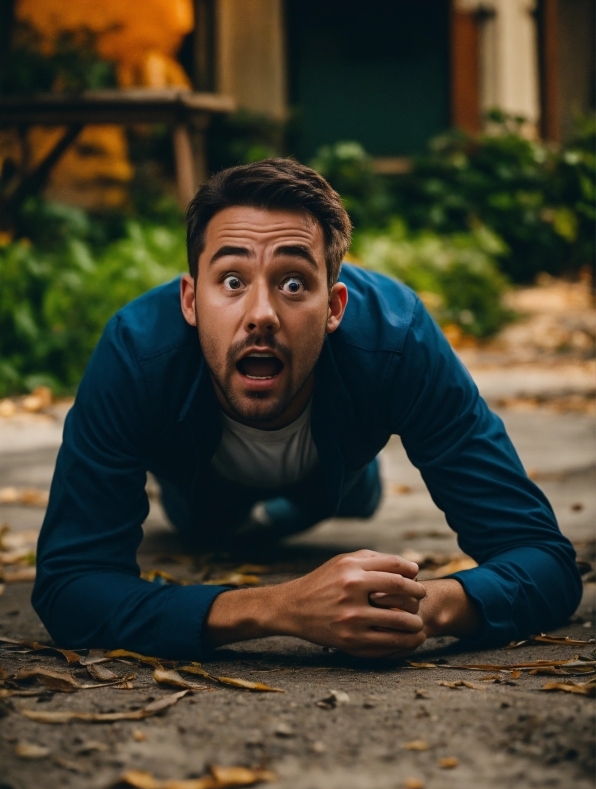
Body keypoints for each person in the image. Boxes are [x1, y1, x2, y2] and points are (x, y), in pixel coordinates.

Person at [33, 158, 581, 661]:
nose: (262, 314)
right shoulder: (135, 353)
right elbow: (70, 586)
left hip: (333, 473)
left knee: (350, 495)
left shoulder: (398, 340)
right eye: (231, 281)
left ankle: (353, 481)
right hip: (202, 486)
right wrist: (279, 608)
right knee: (207, 526)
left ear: (335, 306)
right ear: (190, 301)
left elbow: (543, 559)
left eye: (294, 282)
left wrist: (425, 607)